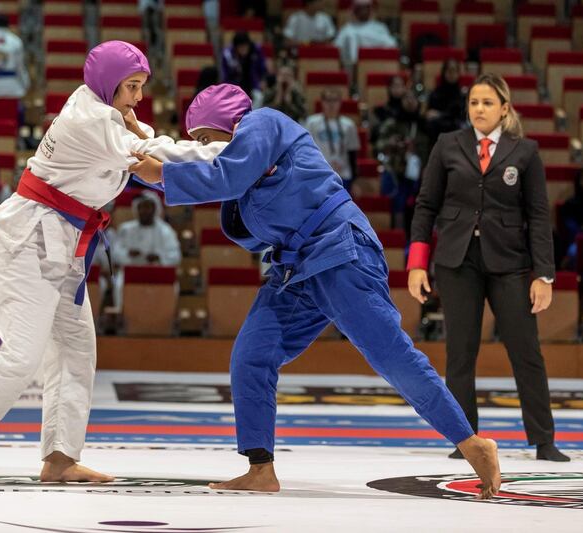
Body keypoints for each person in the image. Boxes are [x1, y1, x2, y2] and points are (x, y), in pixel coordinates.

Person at [131, 83, 501, 499]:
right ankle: (261, 468)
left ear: (227, 124)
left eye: (204, 139)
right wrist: (149, 152)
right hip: (297, 267)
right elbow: (222, 188)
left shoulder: (263, 124)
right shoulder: (242, 180)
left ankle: (470, 442)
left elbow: (220, 173)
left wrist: (161, 173)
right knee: (252, 354)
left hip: (343, 252)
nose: (201, 148)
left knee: (389, 352)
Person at [0, 41, 225, 482]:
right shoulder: (91, 119)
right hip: (28, 240)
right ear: (108, 83)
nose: (137, 96)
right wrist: (230, 158)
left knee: (76, 351)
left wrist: (146, 134)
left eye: (140, 87)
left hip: (64, 242)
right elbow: (156, 160)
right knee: (20, 355)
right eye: (131, 86)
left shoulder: (104, 114)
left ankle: (60, 458)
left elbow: (147, 143)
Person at [406, 73, 570, 462]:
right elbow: (426, 206)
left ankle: (544, 440)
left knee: (526, 350)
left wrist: (543, 274)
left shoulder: (525, 151)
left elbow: (539, 215)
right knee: (460, 352)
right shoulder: (448, 145)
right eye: (474, 103)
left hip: (509, 262)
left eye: (487, 103)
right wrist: (417, 265)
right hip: (456, 261)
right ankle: (466, 439)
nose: (479, 109)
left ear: (504, 109)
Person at [112, 190, 182, 308]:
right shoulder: (126, 229)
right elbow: (115, 253)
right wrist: (128, 254)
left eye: (148, 207)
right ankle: (123, 318)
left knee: (174, 286)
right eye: (141, 207)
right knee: (120, 283)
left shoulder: (166, 231)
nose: (145, 211)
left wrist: (159, 257)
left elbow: (176, 255)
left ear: (155, 209)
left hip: (157, 271)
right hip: (132, 270)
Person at [375, 89, 430, 232]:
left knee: (417, 206)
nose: (410, 102)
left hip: (417, 171)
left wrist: (415, 151)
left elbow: (429, 150)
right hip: (395, 171)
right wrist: (391, 143)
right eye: (407, 98)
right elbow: (378, 146)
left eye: (413, 98)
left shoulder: (423, 125)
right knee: (398, 204)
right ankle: (399, 240)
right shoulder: (392, 123)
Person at [304, 89, 359, 190]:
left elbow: (352, 154)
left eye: (334, 100)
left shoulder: (349, 125)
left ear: (340, 103)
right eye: (328, 100)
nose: (331, 104)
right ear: (322, 102)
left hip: (343, 175)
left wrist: (355, 181)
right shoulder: (312, 122)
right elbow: (306, 150)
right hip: (319, 174)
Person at [334, 0, 397, 69]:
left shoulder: (380, 28)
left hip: (378, 66)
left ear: (370, 10)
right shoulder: (347, 30)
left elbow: (392, 45)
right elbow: (336, 50)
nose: (363, 11)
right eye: (360, 8)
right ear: (355, 10)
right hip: (354, 70)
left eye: (366, 8)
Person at [425, 59, 467, 144]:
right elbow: (430, 115)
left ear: (458, 73)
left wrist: (440, 114)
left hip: (456, 128)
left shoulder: (462, 94)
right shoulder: (435, 94)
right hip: (438, 129)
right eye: (449, 70)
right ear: (444, 72)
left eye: (454, 71)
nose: (451, 74)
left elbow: (460, 115)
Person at [221, 32, 268, 99]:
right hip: (235, 86)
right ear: (235, 47)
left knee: (258, 96)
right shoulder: (228, 55)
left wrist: (263, 80)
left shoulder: (256, 50)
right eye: (241, 47)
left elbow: (262, 68)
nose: (244, 49)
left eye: (245, 46)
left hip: (253, 84)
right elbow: (226, 76)